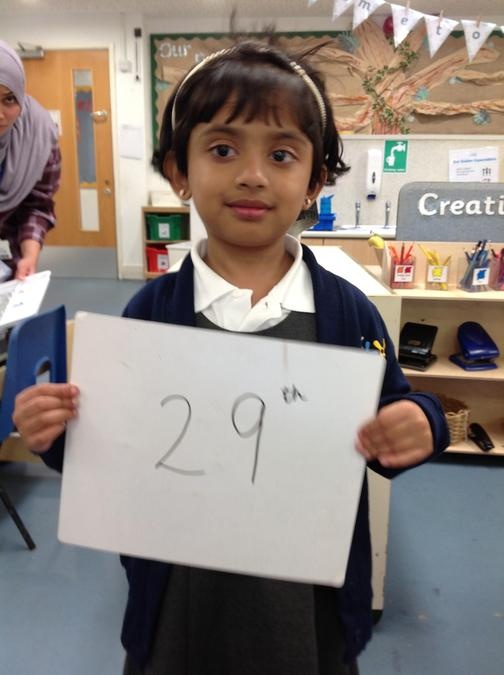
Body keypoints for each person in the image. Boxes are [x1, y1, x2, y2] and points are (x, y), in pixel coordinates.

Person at [13, 39, 450, 675]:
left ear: (314, 181)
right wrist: (55, 433)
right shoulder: (151, 314)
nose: (252, 175)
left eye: (281, 154)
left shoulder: (348, 313)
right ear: (179, 171)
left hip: (305, 610)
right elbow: (109, 449)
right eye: (222, 149)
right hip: (179, 608)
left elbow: (395, 411)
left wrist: (422, 422)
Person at [0, 40, 61, 279]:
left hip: (8, 264)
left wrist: (29, 256)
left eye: (9, 100)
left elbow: (36, 205)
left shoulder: (38, 133)